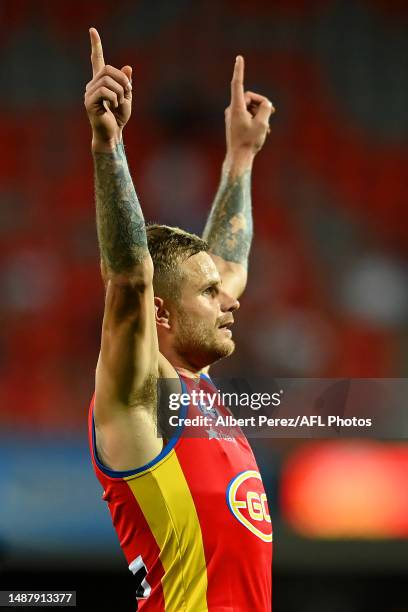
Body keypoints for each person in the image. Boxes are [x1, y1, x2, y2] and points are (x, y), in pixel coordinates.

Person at [85, 26, 275, 612]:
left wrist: (240, 156)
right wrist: (108, 145)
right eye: (210, 293)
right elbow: (128, 278)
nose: (233, 299)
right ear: (159, 312)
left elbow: (230, 264)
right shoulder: (140, 396)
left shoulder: (197, 389)